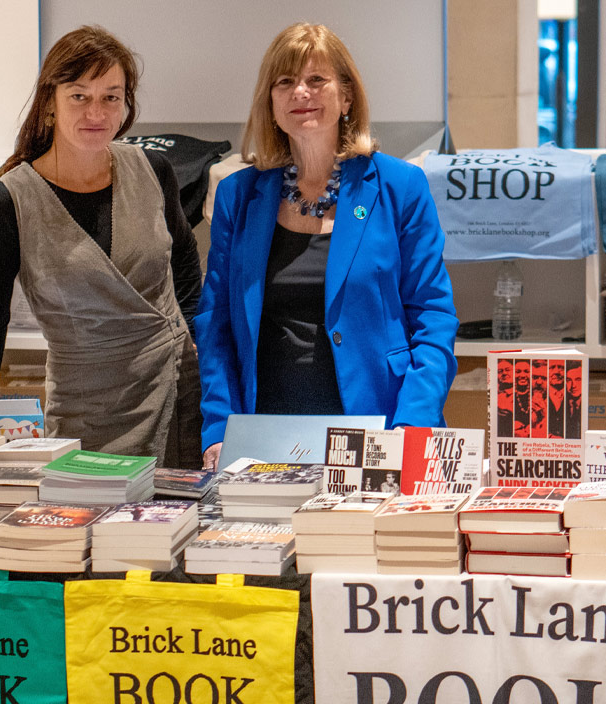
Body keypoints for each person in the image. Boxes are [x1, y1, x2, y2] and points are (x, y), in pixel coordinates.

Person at [195, 22, 458, 470]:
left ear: (347, 96)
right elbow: (215, 325)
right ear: (271, 102)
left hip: (381, 428)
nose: (301, 92)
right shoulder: (239, 196)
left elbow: (433, 319)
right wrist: (219, 429)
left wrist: (411, 426)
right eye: (285, 82)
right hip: (266, 436)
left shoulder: (400, 187)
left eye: (316, 80)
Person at [0, 26, 202, 467]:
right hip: (84, 409)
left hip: (175, 392)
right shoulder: (9, 201)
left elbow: (184, 264)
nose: (96, 112)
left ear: (127, 104)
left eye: (111, 96)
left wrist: (203, 355)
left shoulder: (155, 170)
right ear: (50, 102)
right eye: (79, 95)